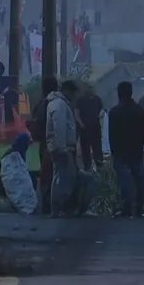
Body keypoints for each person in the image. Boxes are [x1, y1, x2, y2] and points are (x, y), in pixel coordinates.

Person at [108, 81, 144, 217]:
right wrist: (141, 144)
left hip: (120, 150)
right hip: (136, 149)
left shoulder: (114, 112)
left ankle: (127, 207)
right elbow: (143, 131)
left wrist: (113, 151)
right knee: (139, 178)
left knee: (124, 179)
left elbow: (112, 134)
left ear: (119, 93)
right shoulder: (139, 110)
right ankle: (139, 206)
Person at [45, 80, 79, 217]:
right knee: (61, 177)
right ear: (66, 91)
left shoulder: (59, 103)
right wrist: (63, 148)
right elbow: (59, 126)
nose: (74, 96)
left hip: (61, 146)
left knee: (63, 176)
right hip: (61, 147)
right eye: (73, 93)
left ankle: (60, 208)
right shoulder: (59, 104)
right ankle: (56, 208)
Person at [28, 76, 59, 214]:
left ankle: (47, 202)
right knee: (54, 174)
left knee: (46, 173)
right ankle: (51, 203)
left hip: (43, 144)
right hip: (52, 143)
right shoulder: (55, 104)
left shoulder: (41, 104)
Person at [75, 87, 104, 171]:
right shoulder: (81, 100)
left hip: (94, 128)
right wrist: (81, 123)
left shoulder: (97, 99)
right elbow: (76, 113)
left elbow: (102, 111)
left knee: (96, 149)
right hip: (86, 129)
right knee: (87, 150)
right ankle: (89, 168)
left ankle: (98, 167)